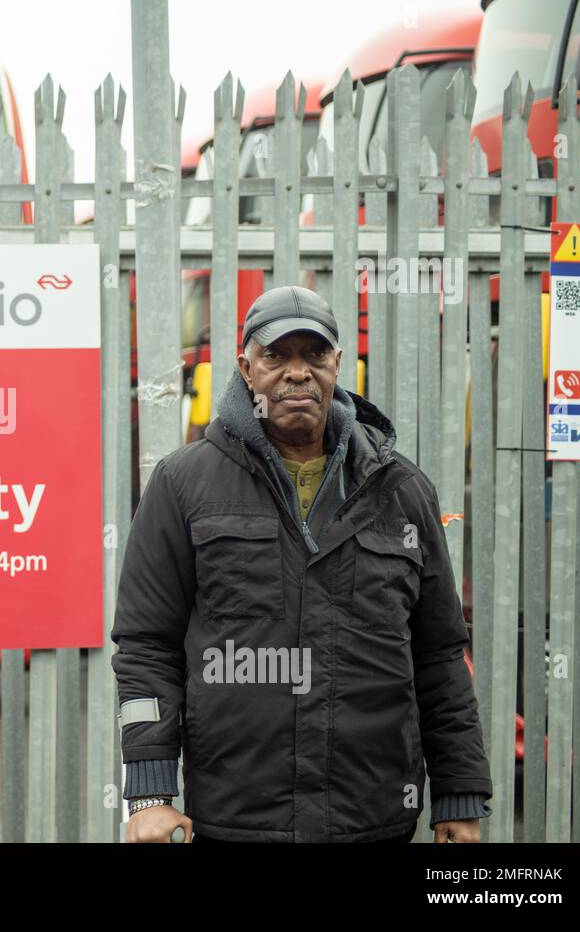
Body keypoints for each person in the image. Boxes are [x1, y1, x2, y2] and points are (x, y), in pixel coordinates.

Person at [112, 285, 492, 843]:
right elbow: (147, 646)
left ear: (339, 363)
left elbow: (438, 655)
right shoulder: (183, 485)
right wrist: (149, 794)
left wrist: (459, 793)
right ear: (246, 368)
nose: (297, 373)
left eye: (314, 355)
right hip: (236, 823)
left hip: (374, 820)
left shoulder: (403, 491)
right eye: (275, 356)